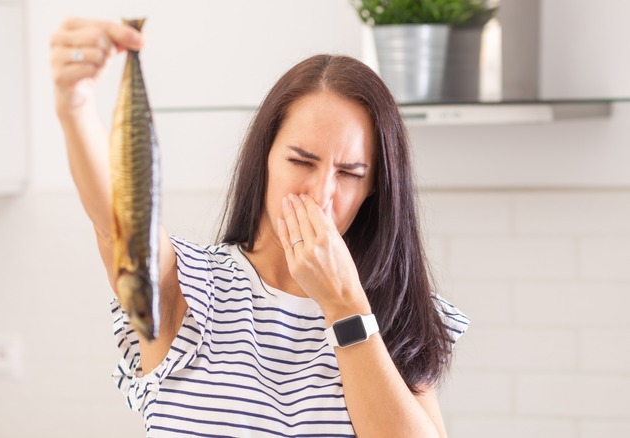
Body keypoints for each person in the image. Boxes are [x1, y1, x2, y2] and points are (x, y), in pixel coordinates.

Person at [51, 17, 470, 438]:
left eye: (349, 173)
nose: (321, 194)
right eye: (301, 161)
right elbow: (116, 226)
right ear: (265, 158)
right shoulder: (192, 289)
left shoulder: (394, 314)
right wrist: (75, 107)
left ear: (374, 188)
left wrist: (344, 305)